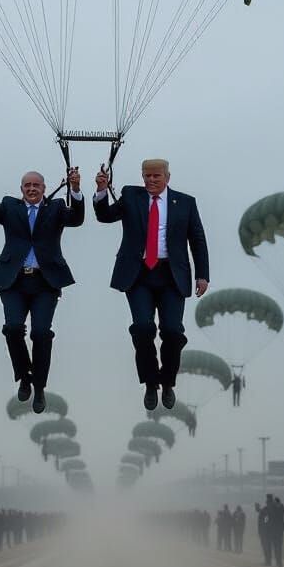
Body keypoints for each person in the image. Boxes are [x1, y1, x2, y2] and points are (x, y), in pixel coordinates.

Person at [0, 162, 84, 412]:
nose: (32, 189)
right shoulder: (9, 207)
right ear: (21, 189)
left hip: (45, 283)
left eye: (36, 185)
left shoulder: (56, 208)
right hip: (13, 281)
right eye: (27, 185)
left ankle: (38, 387)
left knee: (40, 333)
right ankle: (24, 378)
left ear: (44, 188)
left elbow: (77, 219)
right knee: (13, 328)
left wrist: (76, 189)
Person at [93, 158, 209, 410]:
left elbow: (197, 239)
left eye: (156, 176)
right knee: (143, 328)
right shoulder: (131, 196)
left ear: (167, 176)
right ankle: (149, 383)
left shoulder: (186, 203)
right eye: (147, 176)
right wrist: (102, 190)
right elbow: (105, 216)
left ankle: (167, 382)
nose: (151, 180)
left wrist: (202, 274)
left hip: (171, 275)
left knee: (172, 331)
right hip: (139, 274)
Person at [268, 495, 284, 567]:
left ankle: (278, 561)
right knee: (278, 546)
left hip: (274, 530)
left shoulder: (275, 508)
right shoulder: (282, 507)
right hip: (280, 530)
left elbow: (271, 516)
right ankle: (279, 562)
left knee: (276, 546)